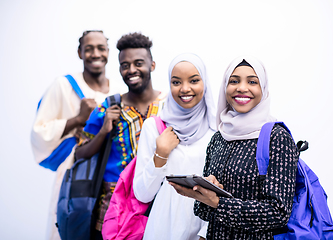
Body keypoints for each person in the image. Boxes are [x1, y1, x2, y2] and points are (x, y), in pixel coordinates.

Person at [169, 56, 300, 239]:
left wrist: (218, 203)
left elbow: (278, 213)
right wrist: (205, 192)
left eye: (252, 81)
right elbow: (202, 212)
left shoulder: (276, 138)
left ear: (263, 87)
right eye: (234, 81)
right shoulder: (219, 137)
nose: (242, 87)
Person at [30, 30, 122, 240]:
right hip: (74, 172)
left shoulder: (118, 90)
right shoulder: (63, 85)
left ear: (108, 52)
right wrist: (78, 119)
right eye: (88, 49)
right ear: (80, 53)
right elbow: (39, 131)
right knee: (70, 226)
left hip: (108, 174)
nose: (95, 54)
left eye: (101, 48)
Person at [75, 32, 166, 238]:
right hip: (114, 209)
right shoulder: (108, 106)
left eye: (138, 63)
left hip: (158, 203)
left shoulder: (169, 106)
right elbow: (79, 153)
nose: (131, 70)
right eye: (125, 65)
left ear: (152, 65)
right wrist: (104, 130)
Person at [133, 53, 217, 240]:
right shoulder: (154, 127)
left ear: (205, 82)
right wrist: (161, 153)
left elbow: (222, 191)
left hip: (204, 229)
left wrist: (205, 234)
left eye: (194, 80)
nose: (185, 89)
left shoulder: (217, 130)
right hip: (163, 228)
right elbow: (142, 194)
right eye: (176, 82)